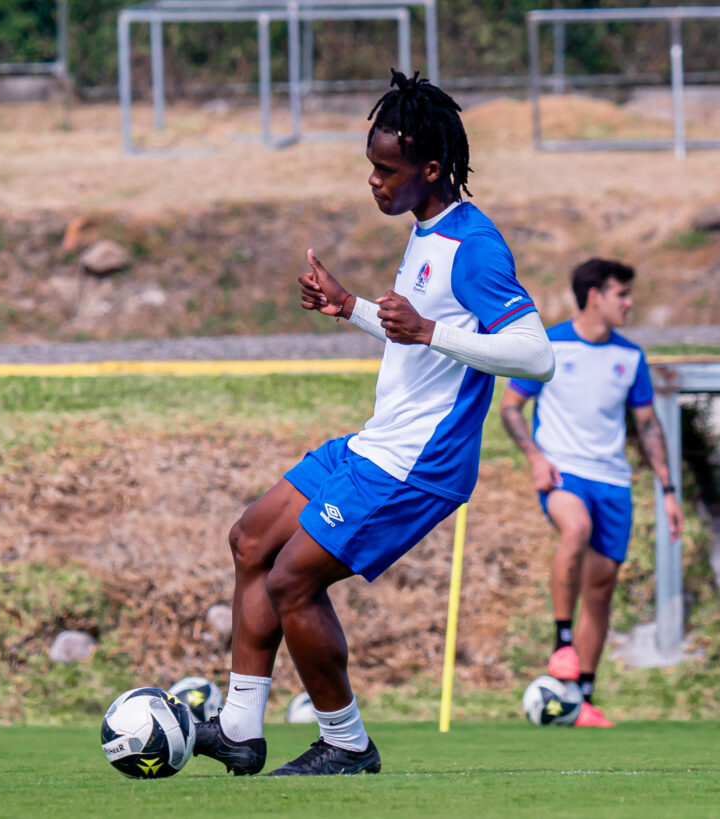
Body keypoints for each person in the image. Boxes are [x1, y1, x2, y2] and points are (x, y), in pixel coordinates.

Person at [192, 70, 555, 777]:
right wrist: (350, 306)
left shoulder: (474, 247)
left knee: (292, 580)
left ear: (430, 168)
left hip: (419, 465)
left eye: (386, 170)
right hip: (374, 443)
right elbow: (416, 333)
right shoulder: (425, 233)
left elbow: (536, 355)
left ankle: (347, 742)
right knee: (250, 540)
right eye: (370, 167)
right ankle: (239, 726)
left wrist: (426, 331)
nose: (373, 181)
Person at [500, 258, 683, 727]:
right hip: (565, 474)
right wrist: (537, 459)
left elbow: (648, 427)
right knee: (574, 527)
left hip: (614, 483)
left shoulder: (630, 357)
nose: (629, 302)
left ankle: (582, 698)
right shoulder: (550, 346)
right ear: (594, 295)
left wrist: (667, 489)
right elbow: (511, 408)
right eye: (621, 293)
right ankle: (562, 644)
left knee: (600, 591)